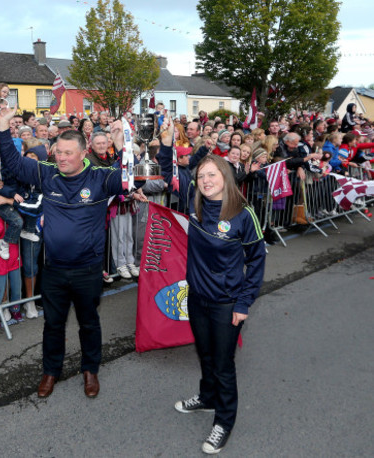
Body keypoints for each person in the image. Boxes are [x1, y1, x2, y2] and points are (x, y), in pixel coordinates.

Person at [0, 104, 126, 399]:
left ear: (83, 153)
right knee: (52, 324)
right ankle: (50, 372)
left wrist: (121, 147)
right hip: (53, 268)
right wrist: (3, 128)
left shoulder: (100, 177)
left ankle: (90, 370)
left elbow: (129, 180)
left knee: (89, 322)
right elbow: (14, 165)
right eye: (58, 151)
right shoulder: (47, 173)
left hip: (88, 269)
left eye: (69, 153)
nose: (62, 157)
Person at [157, 117, 266, 454]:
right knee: (204, 354)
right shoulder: (196, 204)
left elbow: (258, 261)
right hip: (198, 298)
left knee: (222, 363)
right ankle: (206, 398)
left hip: (226, 303)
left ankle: (224, 420)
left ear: (226, 177)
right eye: (201, 176)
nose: (204, 180)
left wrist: (243, 303)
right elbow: (168, 173)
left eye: (211, 175)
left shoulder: (243, 214)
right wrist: (165, 144)